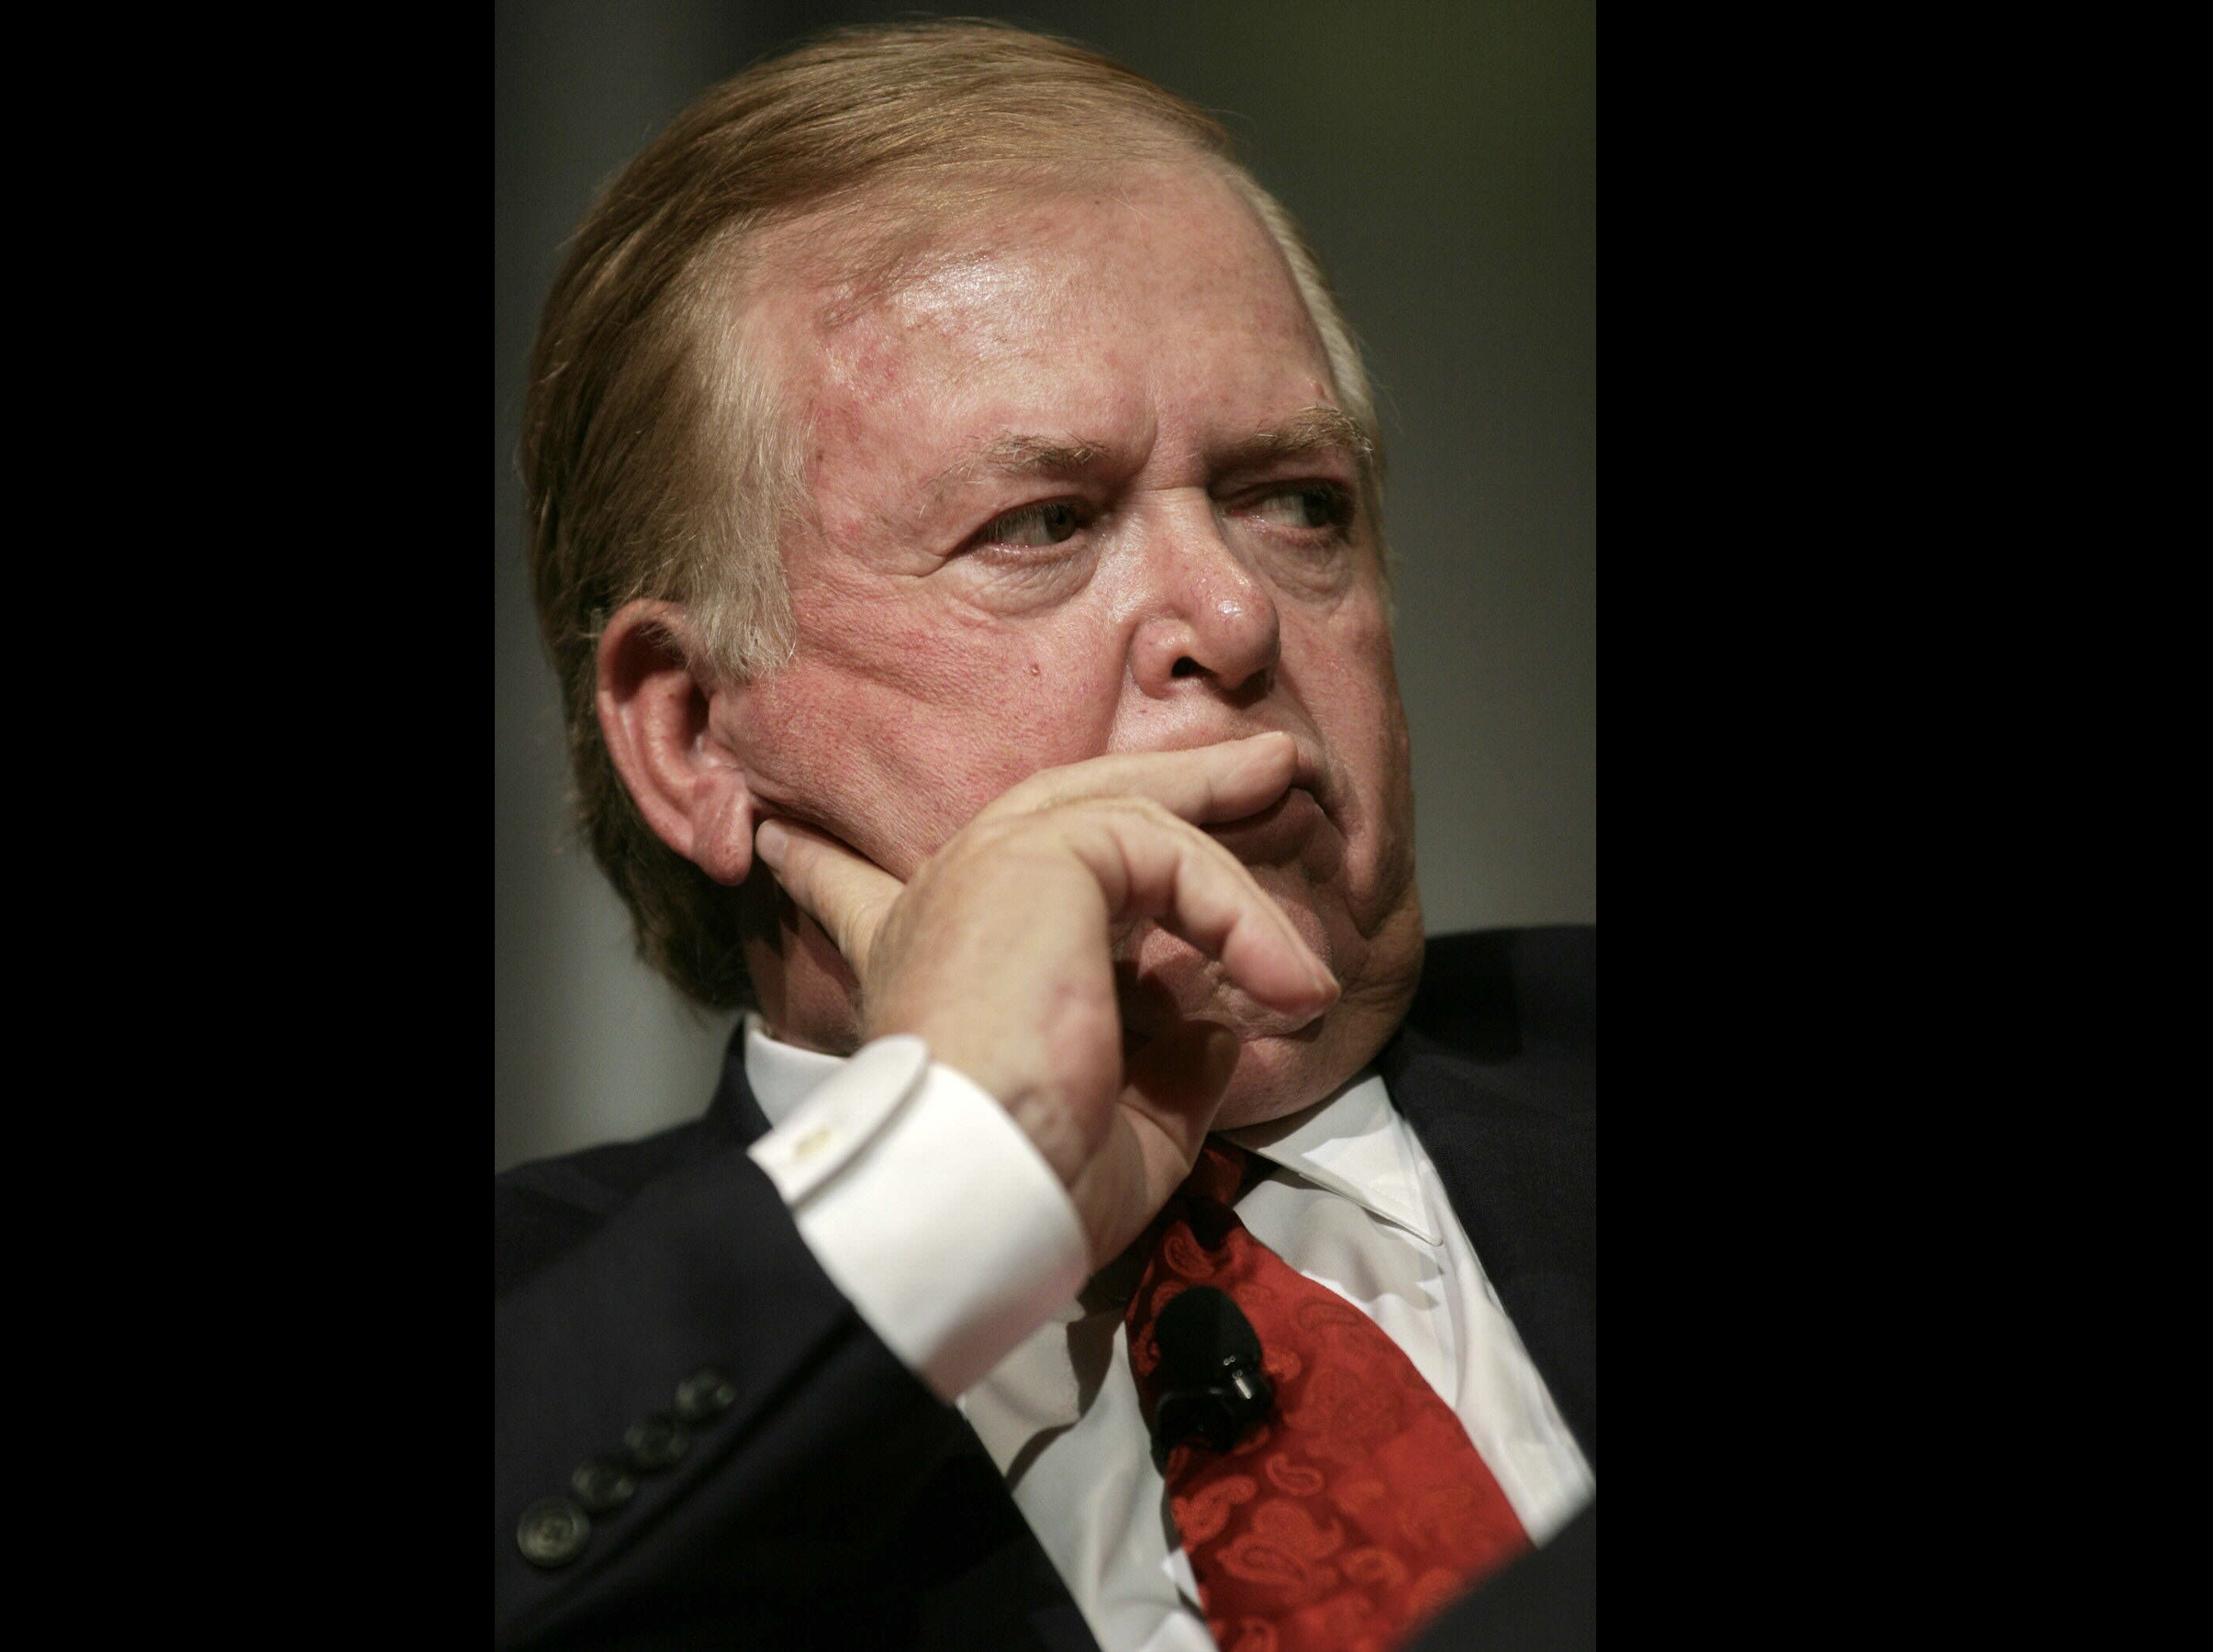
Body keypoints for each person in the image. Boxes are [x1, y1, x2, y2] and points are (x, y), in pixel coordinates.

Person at [497, 22, 1593, 1650]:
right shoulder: (549, 1332)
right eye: (1043, 525)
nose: (1235, 616)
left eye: (1295, 499)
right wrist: (945, 1172)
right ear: (693, 733)